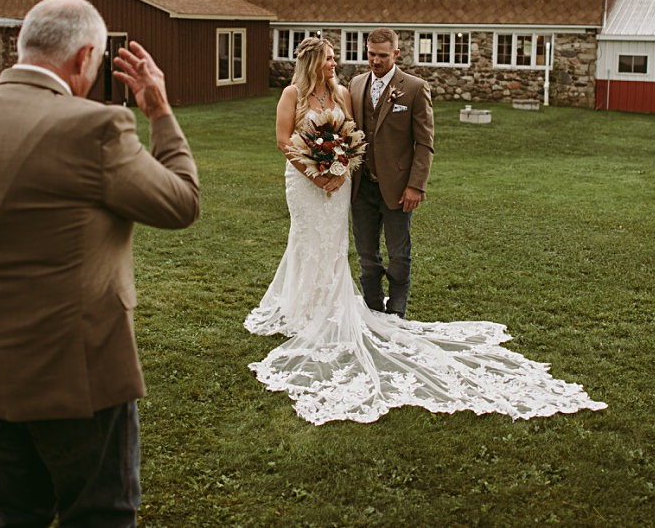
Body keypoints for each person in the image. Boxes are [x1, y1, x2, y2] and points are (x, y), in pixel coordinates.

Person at [0, 0, 200, 527]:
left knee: (15, 514)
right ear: (83, 57)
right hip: (78, 377)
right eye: (93, 68)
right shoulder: (93, 128)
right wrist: (159, 110)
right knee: (99, 515)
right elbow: (181, 202)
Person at [245, 36, 606, 424]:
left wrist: (344, 170)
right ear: (315, 62)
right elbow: (286, 140)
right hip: (314, 183)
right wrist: (318, 173)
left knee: (353, 247)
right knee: (316, 244)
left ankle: (379, 309)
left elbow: (364, 138)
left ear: (395, 55)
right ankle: (311, 308)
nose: (341, 63)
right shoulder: (313, 92)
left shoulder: (359, 92)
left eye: (376, 55)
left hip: (353, 181)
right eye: (333, 58)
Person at [348, 28, 434, 317]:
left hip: (399, 187)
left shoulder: (414, 88)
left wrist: (416, 186)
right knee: (366, 255)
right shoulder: (356, 84)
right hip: (361, 187)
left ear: (396, 54)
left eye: (383, 55)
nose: (376, 61)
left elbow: (424, 144)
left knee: (399, 254)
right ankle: (373, 308)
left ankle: (397, 311)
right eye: (371, 54)